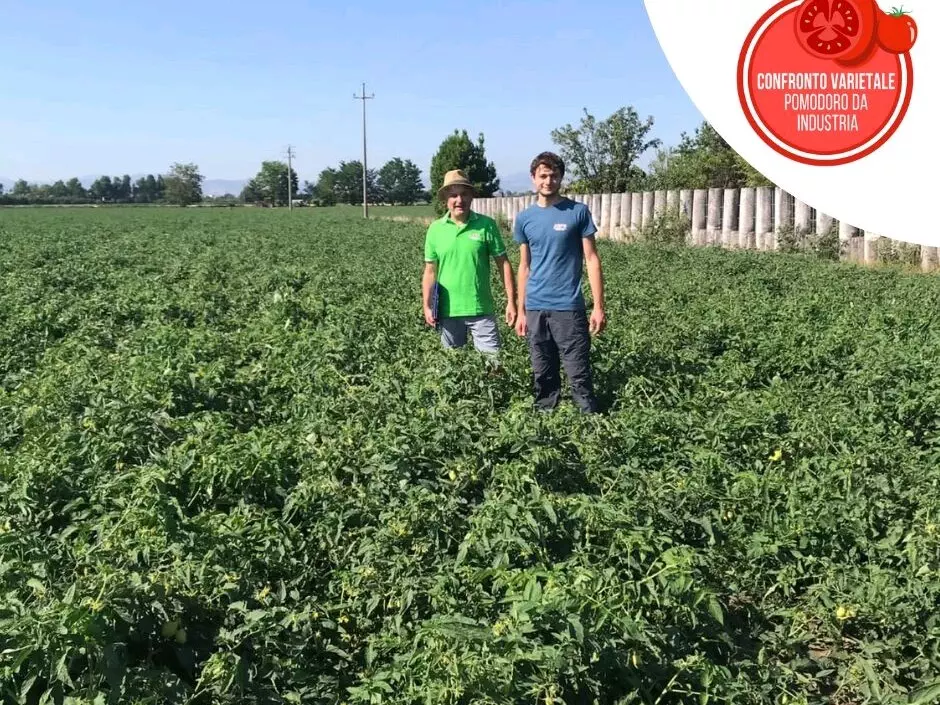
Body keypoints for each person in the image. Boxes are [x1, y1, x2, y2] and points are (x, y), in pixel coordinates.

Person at [513, 151, 606, 413]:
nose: (548, 181)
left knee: (577, 370)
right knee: (543, 370)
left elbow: (592, 259)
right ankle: (545, 419)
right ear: (534, 178)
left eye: (554, 175)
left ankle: (590, 421)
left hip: (568, 306)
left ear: (561, 178)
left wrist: (598, 306)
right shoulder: (524, 219)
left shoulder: (577, 212)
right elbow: (524, 266)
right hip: (535, 307)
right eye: (543, 175)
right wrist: (521, 311)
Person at [422, 169, 516, 356]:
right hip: (447, 311)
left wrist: (511, 301)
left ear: (471, 196)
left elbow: (503, 264)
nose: (459, 200)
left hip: (480, 308)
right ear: (446, 199)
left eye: (464, 194)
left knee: (493, 365)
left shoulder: (486, 225)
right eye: (454, 195)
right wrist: (427, 305)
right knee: (454, 370)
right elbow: (430, 271)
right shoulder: (435, 229)